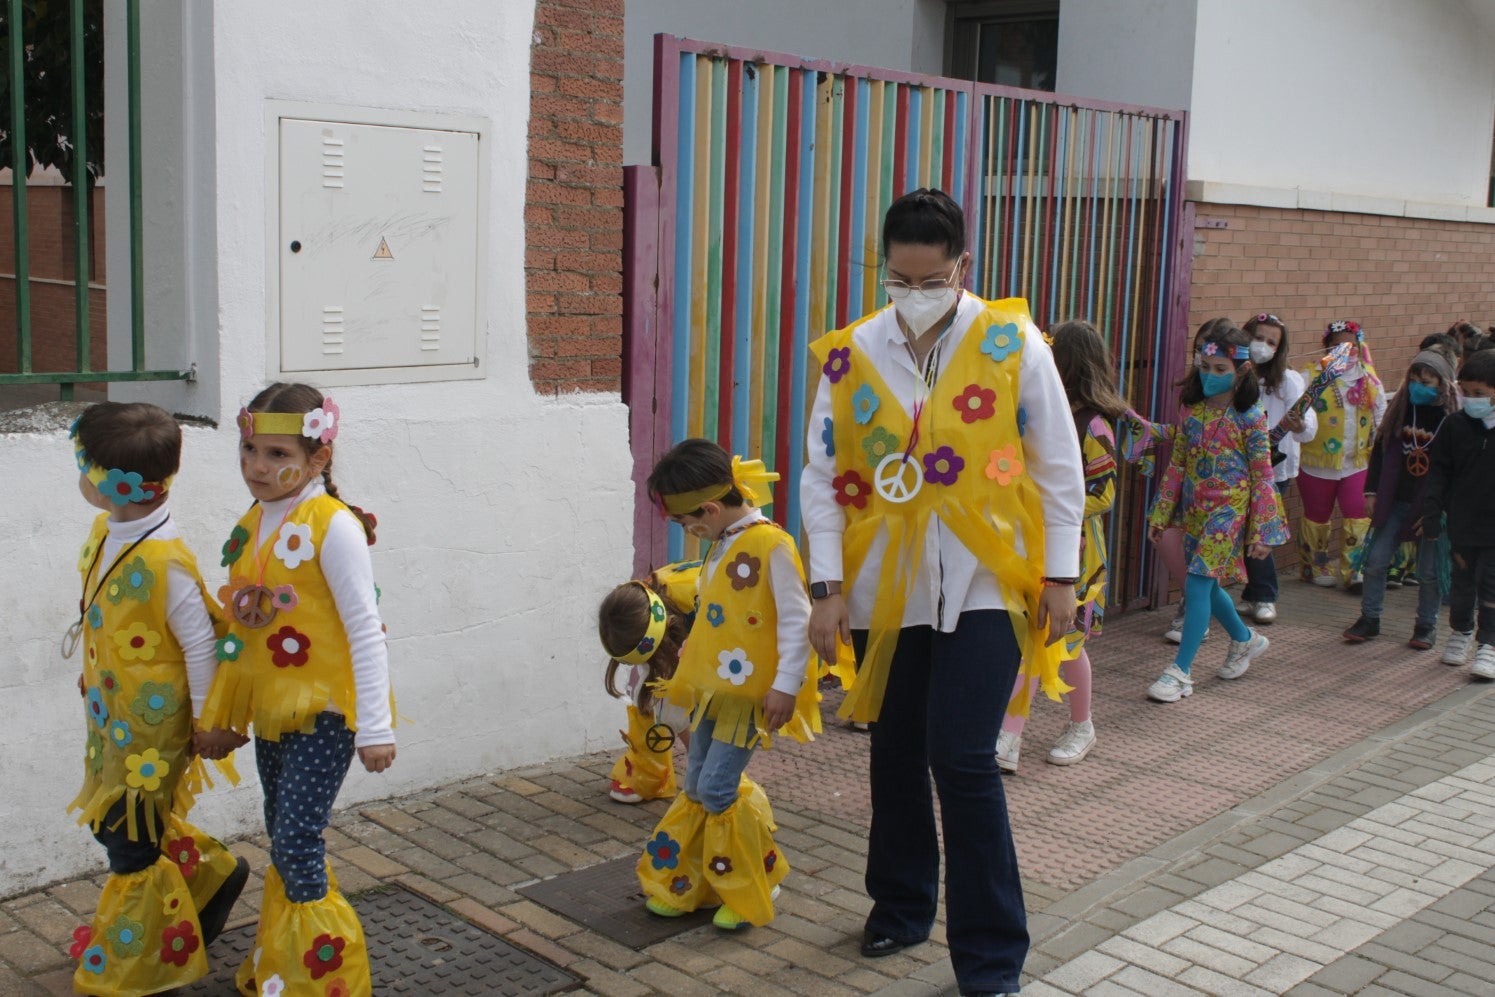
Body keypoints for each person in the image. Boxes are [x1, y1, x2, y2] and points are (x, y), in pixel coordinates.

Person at [802, 188, 1084, 997]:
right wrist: (827, 587)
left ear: (963, 265)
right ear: (883, 267)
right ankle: (899, 902)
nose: (913, 295)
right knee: (893, 751)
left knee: (960, 756)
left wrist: (1059, 576)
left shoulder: (1010, 343)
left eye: (931, 279)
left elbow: (1057, 467)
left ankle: (992, 954)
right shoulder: (852, 352)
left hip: (985, 576)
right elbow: (823, 477)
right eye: (899, 278)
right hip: (885, 586)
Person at [199, 383, 395, 996]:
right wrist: (225, 711)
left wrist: (376, 725)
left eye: (279, 454)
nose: (259, 467)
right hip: (273, 711)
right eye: (250, 449)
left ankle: (326, 979)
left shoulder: (332, 526)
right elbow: (241, 632)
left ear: (319, 459)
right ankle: (282, 965)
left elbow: (364, 627)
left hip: (326, 712)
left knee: (295, 839)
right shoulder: (254, 521)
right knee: (280, 830)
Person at [64, 403, 249, 995]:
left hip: (154, 728)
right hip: (114, 717)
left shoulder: (165, 560)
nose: (79, 476)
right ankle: (211, 879)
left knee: (127, 837)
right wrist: (97, 669)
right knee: (122, 820)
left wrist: (207, 722)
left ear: (115, 484)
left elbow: (199, 647)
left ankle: (141, 958)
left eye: (83, 465)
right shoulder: (109, 532)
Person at [636, 439, 819, 930]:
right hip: (713, 692)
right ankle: (697, 881)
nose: (686, 532)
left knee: (717, 789)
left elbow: (796, 621)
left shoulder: (771, 544)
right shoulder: (721, 543)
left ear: (710, 509)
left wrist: (785, 685)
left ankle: (754, 881)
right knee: (695, 784)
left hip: (749, 698)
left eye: (684, 523)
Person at [996, 320, 1125, 772]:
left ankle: (1048, 730)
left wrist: (1049, 506)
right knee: (1040, 638)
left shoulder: (1094, 425)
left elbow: (1104, 493)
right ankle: (1017, 734)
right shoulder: (1037, 413)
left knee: (1062, 640)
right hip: (1035, 550)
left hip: (1078, 558)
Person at [1145, 323, 1288, 703]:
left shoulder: (1251, 418)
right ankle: (1244, 640)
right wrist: (1160, 514)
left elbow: (1263, 476)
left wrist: (1263, 530)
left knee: (1195, 584)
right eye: (1204, 367)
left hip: (1229, 514)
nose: (1209, 375)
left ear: (1241, 371)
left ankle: (1180, 671)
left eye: (1219, 369)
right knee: (1204, 583)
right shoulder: (1191, 411)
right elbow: (1177, 465)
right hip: (1195, 511)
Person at [1342, 351, 1457, 647]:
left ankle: (1426, 625)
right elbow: (1379, 452)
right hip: (1394, 500)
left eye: (1427, 381)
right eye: (1415, 379)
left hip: (1431, 507)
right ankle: (1370, 618)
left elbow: (1455, 472)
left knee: (1429, 572)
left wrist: (1440, 510)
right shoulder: (1401, 410)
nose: (1419, 386)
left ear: (1442, 385)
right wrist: (1371, 491)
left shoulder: (1451, 421)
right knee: (1377, 561)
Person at [1235, 313, 1314, 624]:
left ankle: (1266, 594)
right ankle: (1252, 593)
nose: (1263, 346)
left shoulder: (1289, 382)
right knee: (1241, 529)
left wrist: (1299, 424)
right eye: (1259, 337)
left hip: (1273, 470)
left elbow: (1309, 432)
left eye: (1271, 342)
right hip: (1237, 467)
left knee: (1261, 531)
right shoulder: (1236, 375)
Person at [597, 560, 699, 803]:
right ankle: (650, 769)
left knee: (682, 703)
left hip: (733, 636)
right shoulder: (639, 607)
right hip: (675, 632)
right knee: (656, 694)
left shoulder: (699, 597)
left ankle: (705, 769)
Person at [1420, 349, 1495, 680]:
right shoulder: (1455, 425)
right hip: (1463, 524)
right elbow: (1439, 471)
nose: (1471, 399)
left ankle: (1489, 644)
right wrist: (1433, 511)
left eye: (1480, 394)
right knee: (1462, 585)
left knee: (1491, 585)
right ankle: (1462, 631)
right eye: (1466, 392)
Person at [1297, 320, 1384, 590]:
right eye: (1336, 345)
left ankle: (1353, 569)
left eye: (1350, 344)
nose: (1344, 350)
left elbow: (1380, 417)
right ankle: (1316, 564)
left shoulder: (1369, 379)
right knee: (1317, 515)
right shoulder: (1310, 376)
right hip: (1317, 462)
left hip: (1356, 462)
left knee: (1358, 513)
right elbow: (1297, 414)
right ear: (1327, 347)